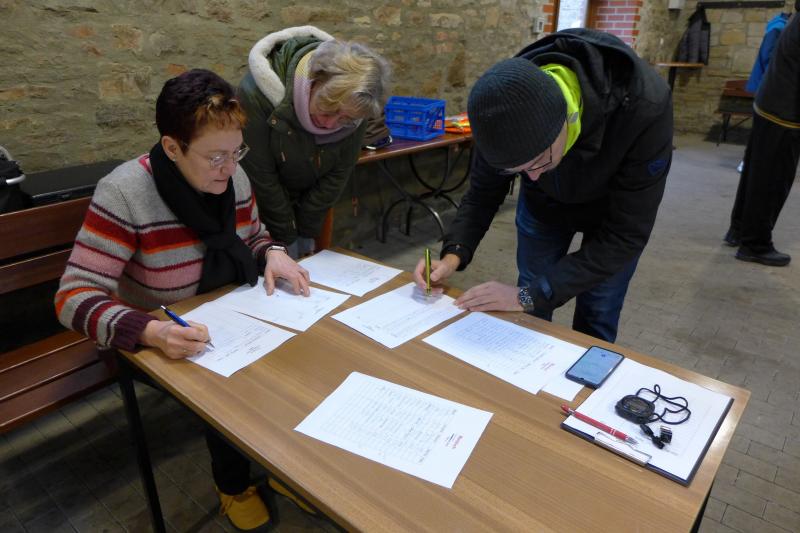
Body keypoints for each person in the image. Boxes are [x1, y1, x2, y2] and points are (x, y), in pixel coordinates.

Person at [55, 69, 311, 531]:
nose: (229, 168)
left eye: (236, 153)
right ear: (172, 147)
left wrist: (273, 252)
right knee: (235, 387)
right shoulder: (126, 192)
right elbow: (74, 295)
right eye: (215, 157)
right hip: (162, 332)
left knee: (298, 360)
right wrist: (151, 331)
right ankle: (234, 484)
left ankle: (286, 464)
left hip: (232, 309)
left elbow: (253, 235)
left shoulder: (234, 178)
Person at [413, 29, 673, 343]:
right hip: (545, 206)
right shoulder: (500, 107)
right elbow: (482, 194)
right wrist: (452, 254)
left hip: (612, 214)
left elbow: (626, 236)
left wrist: (528, 295)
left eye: (538, 162)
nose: (531, 177)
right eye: (518, 171)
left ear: (563, 121)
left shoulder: (645, 108)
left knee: (599, 307)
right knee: (531, 298)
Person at [238, 26, 391, 258]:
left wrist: (306, 232)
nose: (330, 125)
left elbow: (338, 174)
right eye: (328, 110)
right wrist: (287, 237)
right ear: (313, 81)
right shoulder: (255, 95)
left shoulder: (357, 109)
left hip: (305, 207)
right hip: (261, 215)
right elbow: (262, 178)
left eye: (345, 119)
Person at [725, 2, 800, 266]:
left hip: (770, 103)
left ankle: (738, 230)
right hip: (784, 112)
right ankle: (755, 244)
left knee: (755, 175)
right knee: (772, 181)